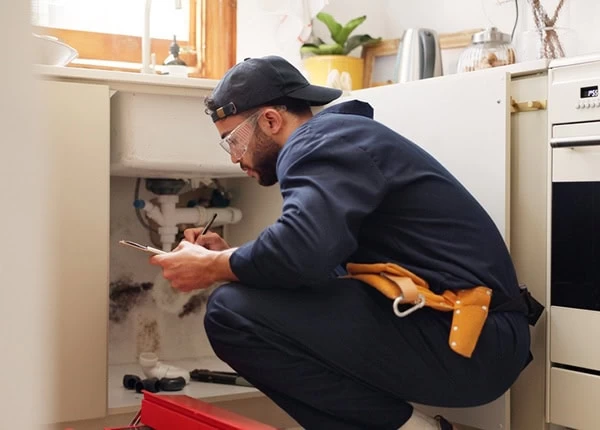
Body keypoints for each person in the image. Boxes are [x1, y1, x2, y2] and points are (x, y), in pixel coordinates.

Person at [150, 55, 537, 430]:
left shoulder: (317, 143)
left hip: (472, 340)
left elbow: (300, 253)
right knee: (245, 301)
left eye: (233, 141)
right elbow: (315, 264)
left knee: (229, 313)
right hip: (470, 336)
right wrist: (229, 260)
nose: (234, 157)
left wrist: (215, 266)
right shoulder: (336, 141)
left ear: (269, 120)